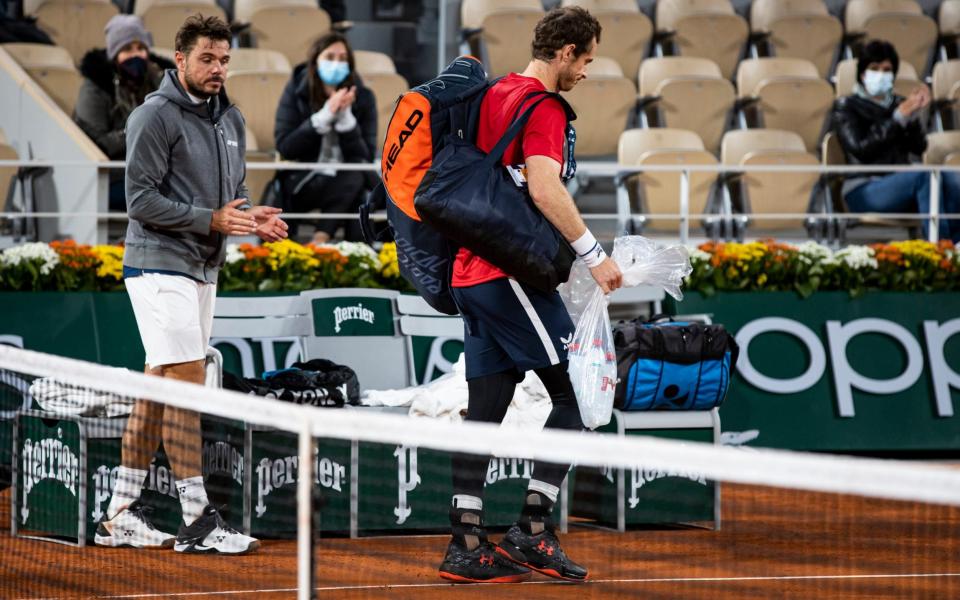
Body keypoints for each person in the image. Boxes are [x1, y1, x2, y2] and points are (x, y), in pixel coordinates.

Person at [437, 6, 622, 585]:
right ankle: (533, 530)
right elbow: (543, 186)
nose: (587, 71)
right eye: (587, 59)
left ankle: (465, 542)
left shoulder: (495, 94)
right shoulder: (541, 106)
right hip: (507, 274)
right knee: (585, 394)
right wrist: (595, 256)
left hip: (470, 274)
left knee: (486, 411)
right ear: (565, 51)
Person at [94, 14, 288, 554]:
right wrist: (212, 220)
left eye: (225, 60)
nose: (218, 69)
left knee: (158, 388)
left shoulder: (232, 119)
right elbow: (140, 201)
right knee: (185, 384)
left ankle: (118, 513)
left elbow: (233, 196)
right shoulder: (151, 117)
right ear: (179, 59)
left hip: (203, 267)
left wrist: (254, 221)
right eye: (207, 58)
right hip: (157, 266)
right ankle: (198, 518)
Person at [832, 39, 960, 242]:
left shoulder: (900, 104)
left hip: (902, 186)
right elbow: (861, 148)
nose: (881, 74)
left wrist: (915, 115)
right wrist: (898, 118)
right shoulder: (846, 106)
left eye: (886, 69)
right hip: (864, 189)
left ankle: (955, 248)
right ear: (863, 74)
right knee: (925, 176)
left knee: (951, 179)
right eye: (874, 68)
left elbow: (919, 147)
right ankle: (941, 249)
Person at [274, 32, 376, 244]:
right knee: (356, 184)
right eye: (330, 57)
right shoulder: (296, 91)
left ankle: (321, 239)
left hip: (347, 182)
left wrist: (346, 121)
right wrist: (324, 116)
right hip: (305, 180)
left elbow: (364, 157)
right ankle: (329, 243)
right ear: (315, 61)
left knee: (355, 175)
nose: (336, 63)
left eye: (342, 58)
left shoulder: (363, 97)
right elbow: (286, 147)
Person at [74, 15, 174, 212]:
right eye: (127, 49)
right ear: (114, 54)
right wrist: (140, 130)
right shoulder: (96, 86)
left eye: (141, 48)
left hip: (157, 173)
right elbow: (97, 143)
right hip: (114, 176)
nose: (136, 55)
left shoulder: (159, 80)